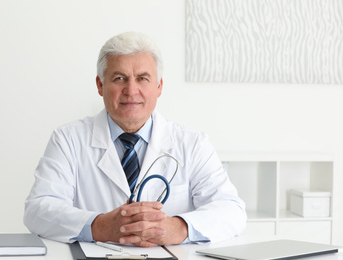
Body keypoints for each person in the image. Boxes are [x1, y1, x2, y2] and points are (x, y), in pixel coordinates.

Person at [24, 32, 246, 247]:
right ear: (100, 85)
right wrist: (100, 226)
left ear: (159, 86)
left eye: (143, 78)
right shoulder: (67, 140)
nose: (131, 90)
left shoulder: (193, 144)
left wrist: (176, 228)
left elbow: (231, 210)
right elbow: (38, 210)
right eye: (119, 78)